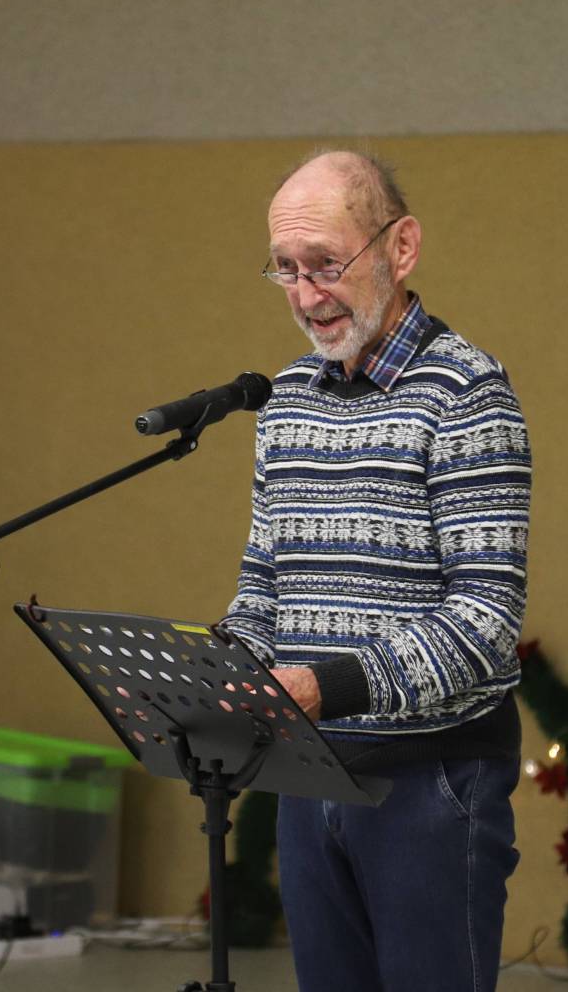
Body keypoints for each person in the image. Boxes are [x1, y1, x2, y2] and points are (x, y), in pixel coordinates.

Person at [216, 149, 531, 992]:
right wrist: (221, 670)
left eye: (325, 264)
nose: (305, 294)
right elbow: (262, 588)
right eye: (285, 269)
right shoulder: (284, 402)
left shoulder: (467, 394)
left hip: (433, 788)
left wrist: (325, 687)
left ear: (402, 248)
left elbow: (486, 625)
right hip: (308, 775)